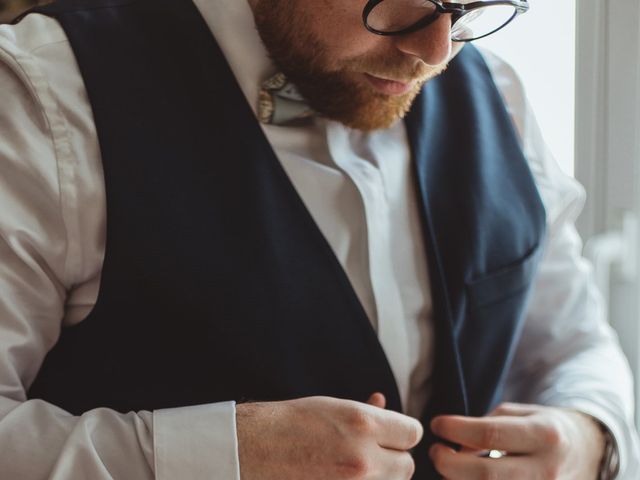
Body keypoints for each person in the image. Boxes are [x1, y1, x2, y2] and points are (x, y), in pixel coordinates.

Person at [0, 0, 638, 478]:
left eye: (465, 3)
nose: (438, 51)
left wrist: (591, 438)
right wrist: (223, 457)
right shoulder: (44, 97)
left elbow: (574, 345)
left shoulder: (498, 90)